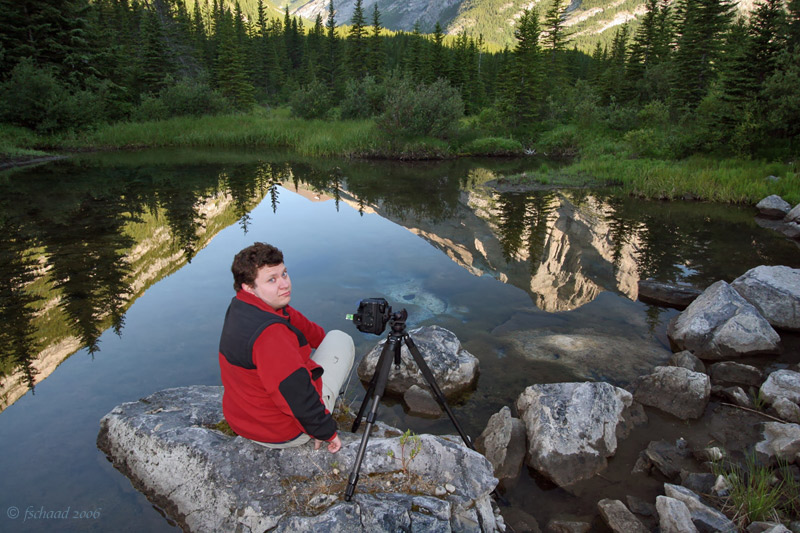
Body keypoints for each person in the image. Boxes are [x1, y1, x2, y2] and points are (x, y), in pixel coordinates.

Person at [218, 242, 354, 453]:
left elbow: (315, 335)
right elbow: (294, 392)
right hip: (281, 431)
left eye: (284, 274)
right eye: (272, 279)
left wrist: (317, 343)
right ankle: (325, 408)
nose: (284, 284)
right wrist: (325, 431)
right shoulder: (270, 335)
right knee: (341, 339)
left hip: (243, 419)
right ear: (249, 287)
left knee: (327, 341)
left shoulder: (242, 307)